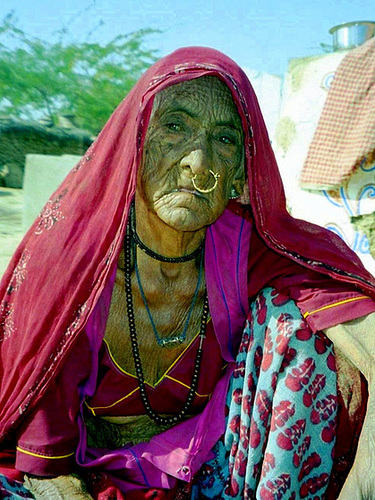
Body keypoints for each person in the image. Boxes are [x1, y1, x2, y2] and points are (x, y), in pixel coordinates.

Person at [0, 47, 375, 500]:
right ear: (134, 144)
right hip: (82, 471)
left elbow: (361, 327)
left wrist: (365, 482)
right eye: (174, 126)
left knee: (296, 328)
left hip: (212, 470)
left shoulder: (245, 246)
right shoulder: (74, 267)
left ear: (240, 172)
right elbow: (45, 463)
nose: (198, 163)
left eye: (225, 139)